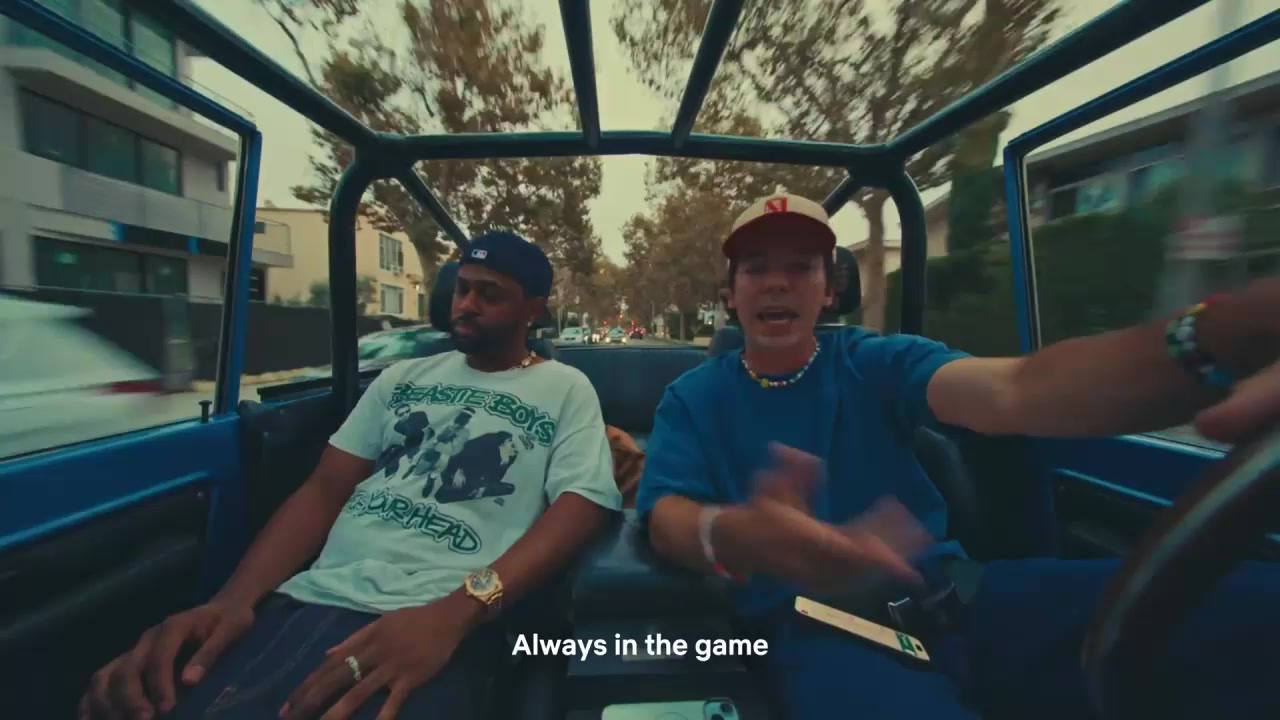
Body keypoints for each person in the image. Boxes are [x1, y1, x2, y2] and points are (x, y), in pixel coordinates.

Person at [637, 193, 1280, 720]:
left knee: (1247, 606)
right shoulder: (692, 399)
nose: (777, 281)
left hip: (964, 599)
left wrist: (1216, 337)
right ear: (731, 293)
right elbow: (667, 518)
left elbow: (1013, 390)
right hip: (821, 629)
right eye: (755, 268)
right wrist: (740, 535)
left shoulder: (876, 360)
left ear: (829, 289)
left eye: (801, 266)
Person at [81, 231, 623, 720]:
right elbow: (325, 489)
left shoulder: (563, 386)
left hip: (441, 616)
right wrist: (233, 600)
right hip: (308, 601)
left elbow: (583, 505)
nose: (466, 304)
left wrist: (455, 613)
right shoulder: (402, 377)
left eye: (490, 294)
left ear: (533, 309)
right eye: (462, 288)